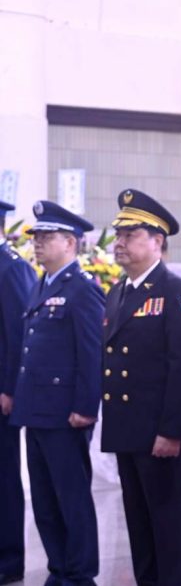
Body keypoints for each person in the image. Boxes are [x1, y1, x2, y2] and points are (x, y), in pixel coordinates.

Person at [101, 189, 181, 585]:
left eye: (130, 235)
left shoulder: (177, 293)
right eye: (118, 234)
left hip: (161, 434)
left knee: (168, 529)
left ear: (157, 241)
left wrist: (172, 431)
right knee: (139, 529)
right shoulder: (119, 292)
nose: (120, 243)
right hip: (128, 430)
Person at [9, 201, 104, 586]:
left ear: (70, 242)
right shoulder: (41, 284)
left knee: (71, 498)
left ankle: (80, 573)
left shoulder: (82, 289)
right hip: (37, 411)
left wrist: (86, 407)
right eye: (37, 237)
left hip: (66, 414)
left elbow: (91, 353)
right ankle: (59, 568)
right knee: (46, 502)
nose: (38, 243)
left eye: (47, 237)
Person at [0, 200, 37, 585]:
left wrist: (10, 389)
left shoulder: (11, 268)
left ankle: (8, 559)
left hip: (1, 394)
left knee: (4, 478)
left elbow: (18, 334)